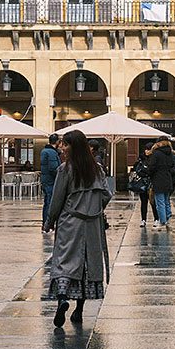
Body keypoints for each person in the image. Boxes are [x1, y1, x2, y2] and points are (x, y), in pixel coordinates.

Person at [43, 129, 111, 327]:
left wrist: (50, 221)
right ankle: (79, 311)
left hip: (69, 222)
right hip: (92, 225)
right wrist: (95, 209)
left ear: (74, 147)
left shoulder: (65, 169)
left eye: (66, 144)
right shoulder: (97, 169)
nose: (62, 147)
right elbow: (106, 194)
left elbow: (57, 199)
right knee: (87, 265)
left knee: (64, 261)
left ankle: (62, 299)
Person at [146, 141, 175, 229]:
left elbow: (152, 167)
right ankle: (168, 219)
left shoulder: (156, 154)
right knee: (166, 201)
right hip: (168, 179)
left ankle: (163, 221)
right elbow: (173, 166)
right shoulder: (170, 154)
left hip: (158, 179)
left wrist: (149, 173)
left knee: (160, 201)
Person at [39, 134, 61, 230]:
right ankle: (48, 224)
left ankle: (45, 223)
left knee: (47, 202)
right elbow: (53, 168)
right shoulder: (51, 152)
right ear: (56, 142)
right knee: (50, 203)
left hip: (45, 180)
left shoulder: (44, 151)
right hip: (50, 181)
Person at [128, 148, 153, 229]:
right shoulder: (141, 160)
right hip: (142, 183)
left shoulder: (154, 159)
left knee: (153, 202)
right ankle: (143, 219)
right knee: (143, 202)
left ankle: (156, 218)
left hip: (151, 183)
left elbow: (151, 171)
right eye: (146, 149)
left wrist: (145, 171)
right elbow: (137, 170)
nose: (146, 151)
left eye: (148, 149)